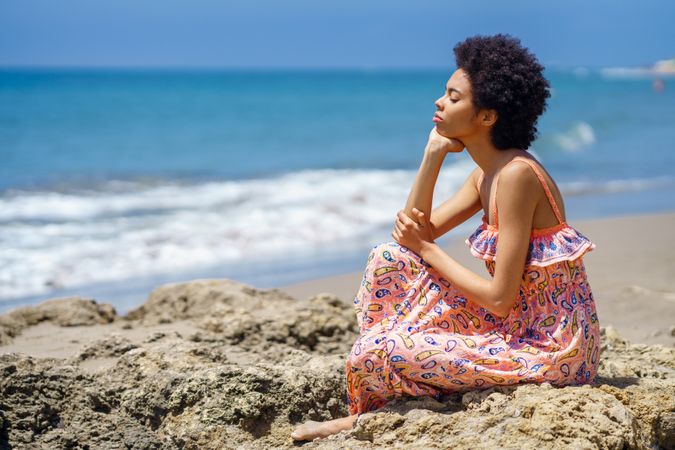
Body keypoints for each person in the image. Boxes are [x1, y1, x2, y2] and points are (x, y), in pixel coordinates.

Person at [291, 33, 600, 442]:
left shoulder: (516, 176)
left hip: (550, 349)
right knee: (388, 259)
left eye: (454, 98)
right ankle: (384, 398)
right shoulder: (486, 174)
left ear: (487, 116)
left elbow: (498, 297)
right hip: (513, 326)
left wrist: (428, 249)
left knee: (380, 352)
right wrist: (431, 156)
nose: (439, 102)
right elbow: (409, 237)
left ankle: (366, 417)